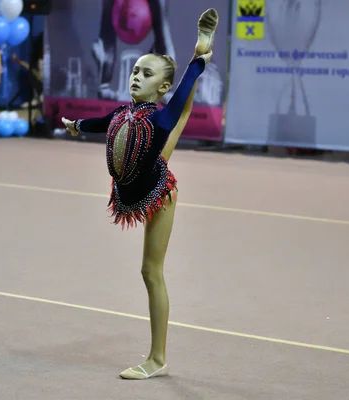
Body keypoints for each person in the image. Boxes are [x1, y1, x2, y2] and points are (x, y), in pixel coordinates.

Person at [61, 8, 219, 380]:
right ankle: (199, 53)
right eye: (134, 71)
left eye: (146, 74)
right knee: (164, 139)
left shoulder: (160, 117)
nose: (136, 77)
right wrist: (76, 125)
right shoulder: (121, 112)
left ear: (161, 87)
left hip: (157, 190)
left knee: (150, 271)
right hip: (139, 172)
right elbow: (101, 123)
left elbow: (180, 101)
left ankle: (157, 358)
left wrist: (198, 62)